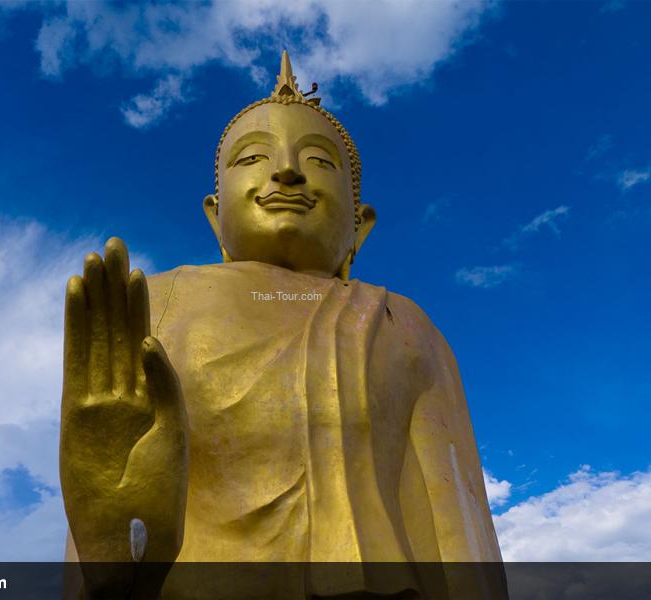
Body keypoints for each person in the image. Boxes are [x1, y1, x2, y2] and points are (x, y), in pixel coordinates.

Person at [60, 51, 506, 599]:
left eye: (320, 161)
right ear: (213, 214)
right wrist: (111, 566)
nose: (287, 170)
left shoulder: (403, 325)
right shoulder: (153, 303)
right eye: (252, 158)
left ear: (359, 227)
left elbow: (459, 529)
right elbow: (104, 481)